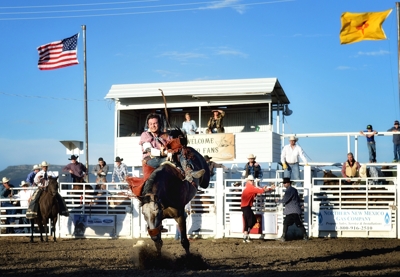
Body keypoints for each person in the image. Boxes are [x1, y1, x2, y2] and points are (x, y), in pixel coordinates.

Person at [139, 113, 205, 185]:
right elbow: (149, 149)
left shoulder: (166, 135)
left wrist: (175, 147)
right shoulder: (145, 135)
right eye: (151, 124)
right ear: (148, 125)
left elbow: (173, 146)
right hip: (151, 160)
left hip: (167, 157)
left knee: (181, 153)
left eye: (155, 123)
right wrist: (164, 153)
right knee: (168, 160)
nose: (153, 126)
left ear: (159, 124)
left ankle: (189, 172)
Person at [241, 175, 275, 243]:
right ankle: (246, 236)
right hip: (246, 206)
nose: (252, 181)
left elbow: (258, 191)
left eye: (252, 180)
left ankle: (245, 236)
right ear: (248, 181)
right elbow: (259, 191)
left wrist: (267, 189)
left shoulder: (249, 187)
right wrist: (267, 189)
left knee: (248, 221)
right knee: (251, 221)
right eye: (251, 180)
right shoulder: (250, 188)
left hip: (245, 206)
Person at [276, 177, 308, 242]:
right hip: (295, 210)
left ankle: (283, 237)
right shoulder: (294, 190)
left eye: (285, 183)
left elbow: (285, 199)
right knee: (298, 224)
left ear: (289, 183)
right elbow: (298, 199)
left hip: (291, 211)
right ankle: (305, 236)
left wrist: (278, 201)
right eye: (283, 183)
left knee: (286, 223)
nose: (284, 184)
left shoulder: (289, 190)